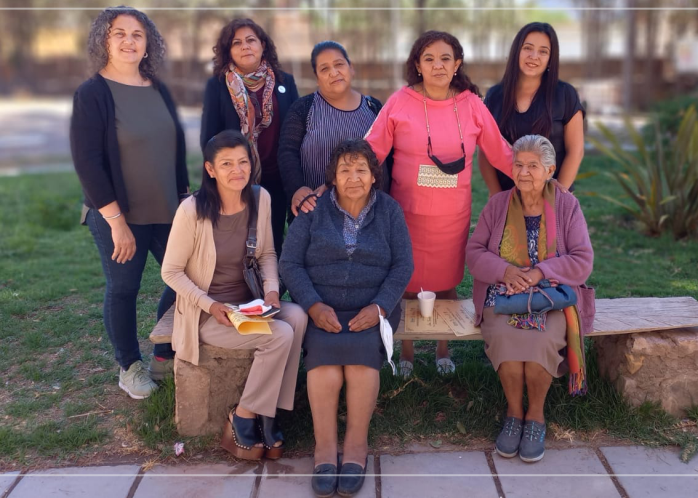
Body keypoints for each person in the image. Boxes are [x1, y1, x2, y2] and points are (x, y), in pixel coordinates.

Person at [364, 30, 513, 378]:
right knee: (408, 280)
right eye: (429, 58)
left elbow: (500, 151)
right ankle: (407, 350)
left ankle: (443, 347)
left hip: (453, 214)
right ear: (418, 64)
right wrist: (342, 178)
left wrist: (534, 175)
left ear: (457, 63)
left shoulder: (472, 104)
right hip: (408, 213)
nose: (437, 65)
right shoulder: (400, 102)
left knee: (446, 281)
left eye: (445, 58)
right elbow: (372, 150)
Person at [161, 130, 308, 460]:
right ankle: (243, 414)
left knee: (297, 315)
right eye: (226, 164)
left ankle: (268, 413)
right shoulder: (192, 210)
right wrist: (211, 305)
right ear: (211, 169)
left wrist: (272, 291)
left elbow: (268, 254)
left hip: (250, 305)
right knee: (280, 334)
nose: (237, 170)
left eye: (243, 162)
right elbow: (170, 271)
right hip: (209, 314)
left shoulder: (261, 198)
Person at [280, 139, 413, 497]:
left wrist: (381, 307)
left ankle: (355, 446)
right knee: (323, 363)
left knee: (359, 363)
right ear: (333, 178)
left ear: (373, 176)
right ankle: (324, 448)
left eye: (361, 170)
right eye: (344, 170)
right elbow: (289, 264)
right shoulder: (313, 210)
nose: (353, 177)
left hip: (373, 305)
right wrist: (311, 305)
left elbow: (403, 266)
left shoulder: (389, 211)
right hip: (322, 306)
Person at [70, 6, 188, 399]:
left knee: (188, 279)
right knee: (124, 287)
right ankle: (129, 366)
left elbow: (175, 148)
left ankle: (162, 354)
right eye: (118, 33)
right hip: (118, 214)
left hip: (169, 210)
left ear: (147, 42)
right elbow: (87, 163)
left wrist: (186, 200)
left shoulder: (158, 89)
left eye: (137, 34)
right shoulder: (92, 94)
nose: (128, 41)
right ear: (104, 40)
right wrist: (116, 222)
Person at [465, 135, 594, 463]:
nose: (524, 173)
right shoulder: (498, 205)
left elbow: (582, 260)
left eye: (533, 166)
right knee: (507, 341)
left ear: (550, 169)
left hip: (550, 295)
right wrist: (505, 271)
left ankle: (535, 416)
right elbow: (474, 252)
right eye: (518, 165)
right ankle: (513, 414)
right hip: (502, 293)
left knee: (540, 343)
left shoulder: (567, 204)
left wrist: (540, 272)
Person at [201, 18, 299, 257]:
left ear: (262, 45)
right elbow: (209, 138)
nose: (245, 46)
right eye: (237, 43)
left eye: (250, 40)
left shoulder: (285, 82)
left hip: (278, 177)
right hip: (238, 178)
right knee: (239, 243)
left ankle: (270, 291)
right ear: (228, 51)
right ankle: (241, 290)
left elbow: (297, 132)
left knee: (273, 241)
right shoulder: (217, 86)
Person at [278, 41, 384, 216]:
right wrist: (297, 189)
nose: (334, 73)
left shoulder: (373, 108)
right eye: (324, 69)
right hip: (314, 211)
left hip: (365, 213)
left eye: (339, 64)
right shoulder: (303, 108)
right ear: (317, 77)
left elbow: (383, 160)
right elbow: (287, 152)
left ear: (351, 68)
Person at [479, 22, 585, 195]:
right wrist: (497, 196)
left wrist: (558, 197)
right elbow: (485, 153)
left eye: (543, 51)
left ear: (551, 58)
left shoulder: (565, 94)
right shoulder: (495, 95)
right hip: (508, 197)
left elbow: (576, 150)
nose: (534, 56)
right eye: (528, 48)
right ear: (516, 52)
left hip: (553, 198)